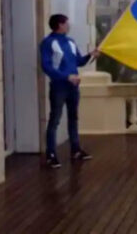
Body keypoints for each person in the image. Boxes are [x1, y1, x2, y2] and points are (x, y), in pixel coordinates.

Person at [40, 14, 99, 168]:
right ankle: (51, 154)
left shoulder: (70, 42)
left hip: (73, 87)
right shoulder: (48, 43)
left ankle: (76, 150)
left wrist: (90, 55)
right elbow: (46, 66)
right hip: (59, 87)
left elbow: (78, 61)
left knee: (73, 118)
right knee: (55, 120)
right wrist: (66, 77)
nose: (69, 26)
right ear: (60, 25)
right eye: (66, 23)